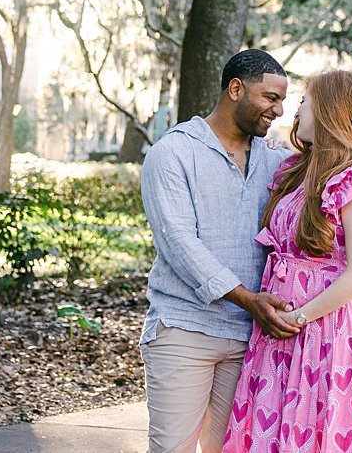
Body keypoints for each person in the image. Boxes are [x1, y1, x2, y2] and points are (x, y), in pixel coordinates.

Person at [223, 70, 352, 453]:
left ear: (330, 111)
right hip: (279, 328)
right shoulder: (296, 171)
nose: (295, 112)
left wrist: (298, 317)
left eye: (304, 102)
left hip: (326, 332)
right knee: (270, 432)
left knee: (318, 436)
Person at [140, 49, 303, 453]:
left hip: (253, 338)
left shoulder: (279, 161)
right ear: (236, 89)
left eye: (283, 100)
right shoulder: (174, 153)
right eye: (270, 98)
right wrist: (248, 300)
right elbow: (178, 243)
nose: (279, 110)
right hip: (184, 330)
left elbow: (323, 216)